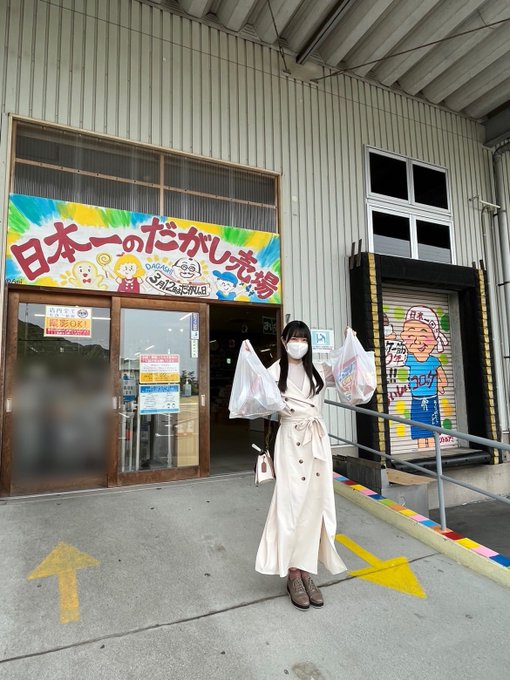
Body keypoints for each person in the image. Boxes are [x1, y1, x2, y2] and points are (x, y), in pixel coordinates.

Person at [255, 320, 347, 610]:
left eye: (303, 339)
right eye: (294, 339)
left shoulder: (319, 369)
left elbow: (352, 377)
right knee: (290, 504)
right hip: (289, 440)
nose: (299, 344)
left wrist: (351, 344)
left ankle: (306, 570)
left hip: (316, 441)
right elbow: (255, 403)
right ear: (284, 341)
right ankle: (293, 573)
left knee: (315, 504)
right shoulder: (272, 372)